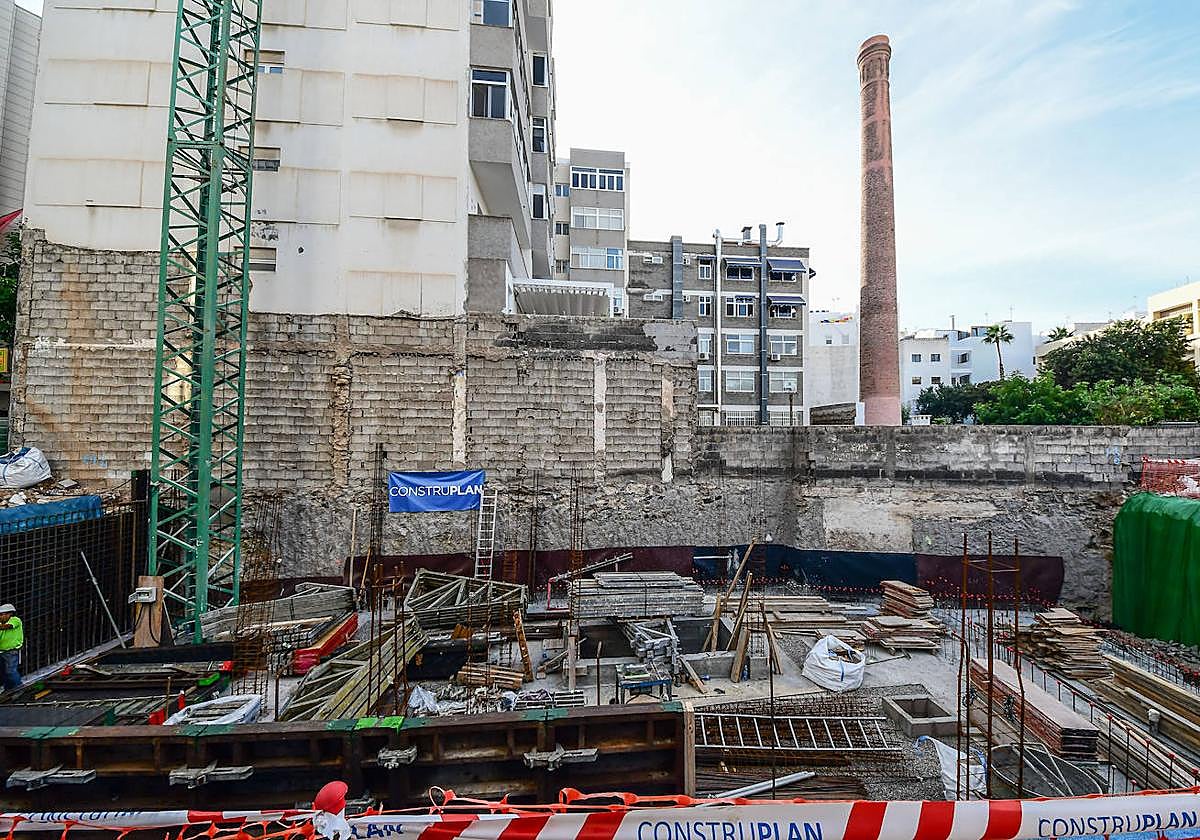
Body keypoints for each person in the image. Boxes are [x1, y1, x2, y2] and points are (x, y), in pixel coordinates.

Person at [0, 604, 23, 691]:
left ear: (11, 614)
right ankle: (8, 690)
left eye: (6, 614)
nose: (3, 616)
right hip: (1, 651)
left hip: (11, 651)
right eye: (1, 614)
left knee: (11, 671)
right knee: (4, 673)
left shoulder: (15, 620)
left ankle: (19, 688)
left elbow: (7, 627)